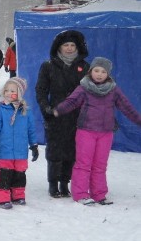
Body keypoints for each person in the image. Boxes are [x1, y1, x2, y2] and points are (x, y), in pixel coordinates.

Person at [53, 57, 141, 205]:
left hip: (106, 133)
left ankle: (99, 194)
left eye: (103, 71)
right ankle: (80, 194)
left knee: (100, 165)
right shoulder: (83, 87)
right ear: (90, 71)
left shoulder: (113, 90)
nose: (99, 74)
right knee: (83, 163)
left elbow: (126, 107)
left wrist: (138, 120)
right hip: (86, 131)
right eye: (96, 70)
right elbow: (72, 102)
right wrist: (58, 110)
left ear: (108, 74)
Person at [35, 30, 89, 198]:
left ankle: (65, 183)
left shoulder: (85, 67)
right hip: (56, 114)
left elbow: (91, 92)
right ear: (59, 47)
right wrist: (46, 109)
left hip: (77, 115)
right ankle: (53, 184)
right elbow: (41, 90)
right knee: (55, 151)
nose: (69, 48)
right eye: (66, 45)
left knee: (72, 151)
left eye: (72, 45)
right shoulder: (48, 66)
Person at [0, 78, 38, 209]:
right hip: (5, 150)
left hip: (21, 151)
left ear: (20, 93)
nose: (9, 93)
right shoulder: (1, 110)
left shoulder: (26, 111)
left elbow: (31, 130)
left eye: (13, 91)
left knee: (20, 174)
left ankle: (18, 195)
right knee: (4, 174)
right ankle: (2, 198)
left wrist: (34, 145)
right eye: (7, 90)